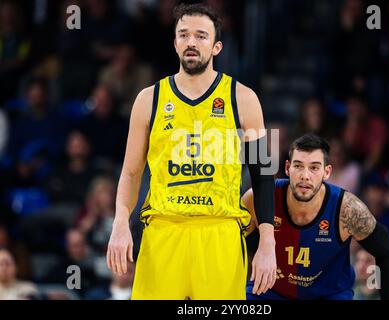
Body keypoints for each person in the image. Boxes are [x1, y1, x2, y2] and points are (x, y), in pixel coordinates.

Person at [107, 3, 276, 300]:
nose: (191, 42)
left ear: (217, 46)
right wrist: (120, 222)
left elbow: (263, 177)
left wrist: (267, 244)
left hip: (220, 234)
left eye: (201, 36)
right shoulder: (149, 99)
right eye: (183, 35)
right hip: (163, 232)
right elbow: (131, 173)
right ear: (174, 43)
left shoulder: (245, 99)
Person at [244, 133, 389, 300]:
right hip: (269, 292)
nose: (305, 175)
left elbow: (387, 252)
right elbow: (227, 241)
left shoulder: (347, 209)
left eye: (314, 167)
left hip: (329, 295)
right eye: (298, 166)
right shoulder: (259, 198)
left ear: (327, 172)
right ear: (288, 168)